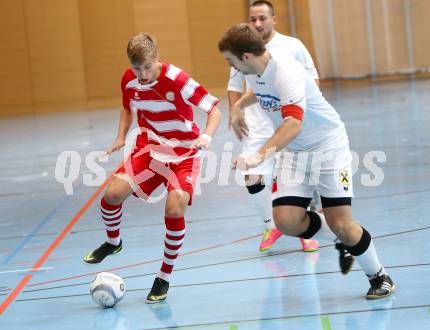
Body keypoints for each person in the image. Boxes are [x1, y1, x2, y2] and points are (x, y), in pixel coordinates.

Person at [218, 24, 394, 299]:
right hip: (295, 153)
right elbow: (260, 90)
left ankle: (379, 275)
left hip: (328, 148)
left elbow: (293, 125)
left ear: (247, 57)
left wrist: (258, 154)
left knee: (343, 224)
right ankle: (339, 238)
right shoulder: (254, 71)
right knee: (286, 221)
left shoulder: (286, 72)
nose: (231, 66)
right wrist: (239, 106)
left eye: (231, 60)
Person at [83, 32, 222, 304]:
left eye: (147, 67)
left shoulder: (178, 80)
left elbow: (214, 108)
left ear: (157, 59)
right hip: (149, 149)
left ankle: (164, 277)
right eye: (137, 68)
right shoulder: (129, 79)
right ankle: (113, 243)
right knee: (111, 196)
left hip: (184, 153)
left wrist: (206, 135)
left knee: (174, 209)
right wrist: (121, 136)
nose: (142, 74)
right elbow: (127, 108)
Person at [227, 0, 319, 252]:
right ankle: (271, 225)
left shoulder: (292, 46)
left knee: (296, 177)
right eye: (253, 19)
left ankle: (304, 231)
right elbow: (234, 85)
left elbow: (312, 81)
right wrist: (235, 111)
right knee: (250, 175)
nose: (257, 23)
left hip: (286, 121)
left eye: (262, 18)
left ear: (274, 19)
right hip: (257, 125)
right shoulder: (241, 49)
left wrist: (306, 115)